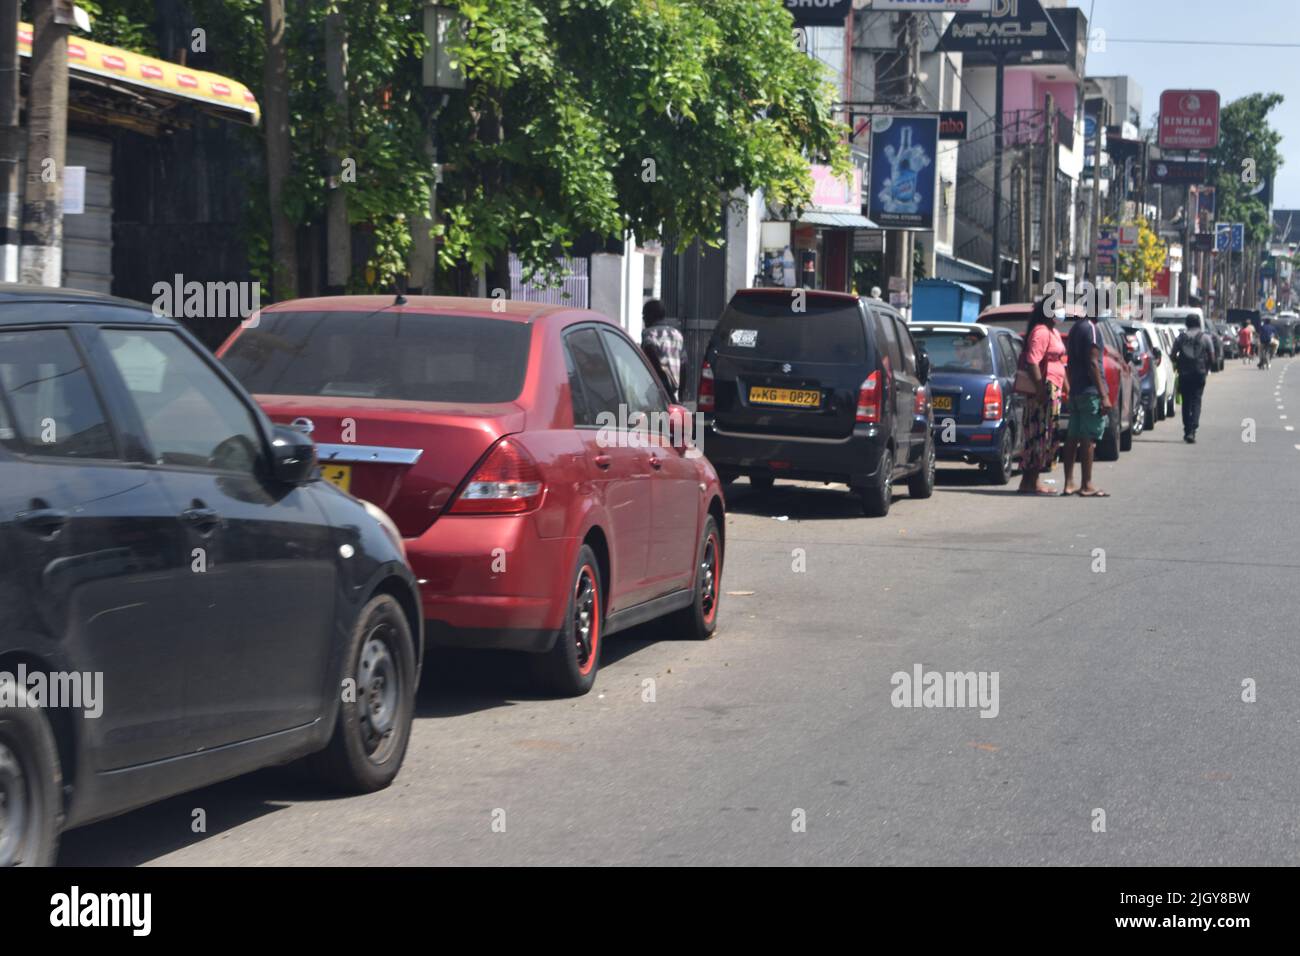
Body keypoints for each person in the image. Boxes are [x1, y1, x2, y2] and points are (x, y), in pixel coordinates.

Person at [1018, 296, 1067, 496]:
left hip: (1054, 387)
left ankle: (1034, 481)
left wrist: (1066, 388)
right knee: (1037, 435)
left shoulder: (1052, 331)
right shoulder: (1040, 332)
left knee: (1047, 435)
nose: (1062, 313)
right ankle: (1028, 481)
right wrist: (1040, 390)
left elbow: (1061, 361)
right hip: (1044, 389)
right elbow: (1032, 362)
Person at [1062, 311, 1111, 497]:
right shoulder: (1091, 328)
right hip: (1089, 392)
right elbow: (1093, 363)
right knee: (1088, 437)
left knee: (1072, 437)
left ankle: (1069, 483)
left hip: (1076, 390)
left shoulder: (1076, 328)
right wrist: (1103, 394)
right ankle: (1086, 484)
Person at [1172, 315, 1213, 443]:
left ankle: (1187, 429)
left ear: (1187, 324)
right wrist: (1207, 369)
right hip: (1199, 373)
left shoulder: (1181, 338)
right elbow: (1212, 355)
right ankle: (1193, 429)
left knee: (1186, 402)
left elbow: (1173, 355)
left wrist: (1178, 364)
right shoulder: (1205, 337)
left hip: (1184, 374)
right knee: (1196, 401)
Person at [640, 299, 683, 403]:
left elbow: (655, 363)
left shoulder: (649, 334)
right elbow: (684, 366)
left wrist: (667, 392)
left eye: (644, 316)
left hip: (658, 394)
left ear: (651, 316)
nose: (643, 319)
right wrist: (681, 397)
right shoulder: (677, 334)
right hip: (674, 393)